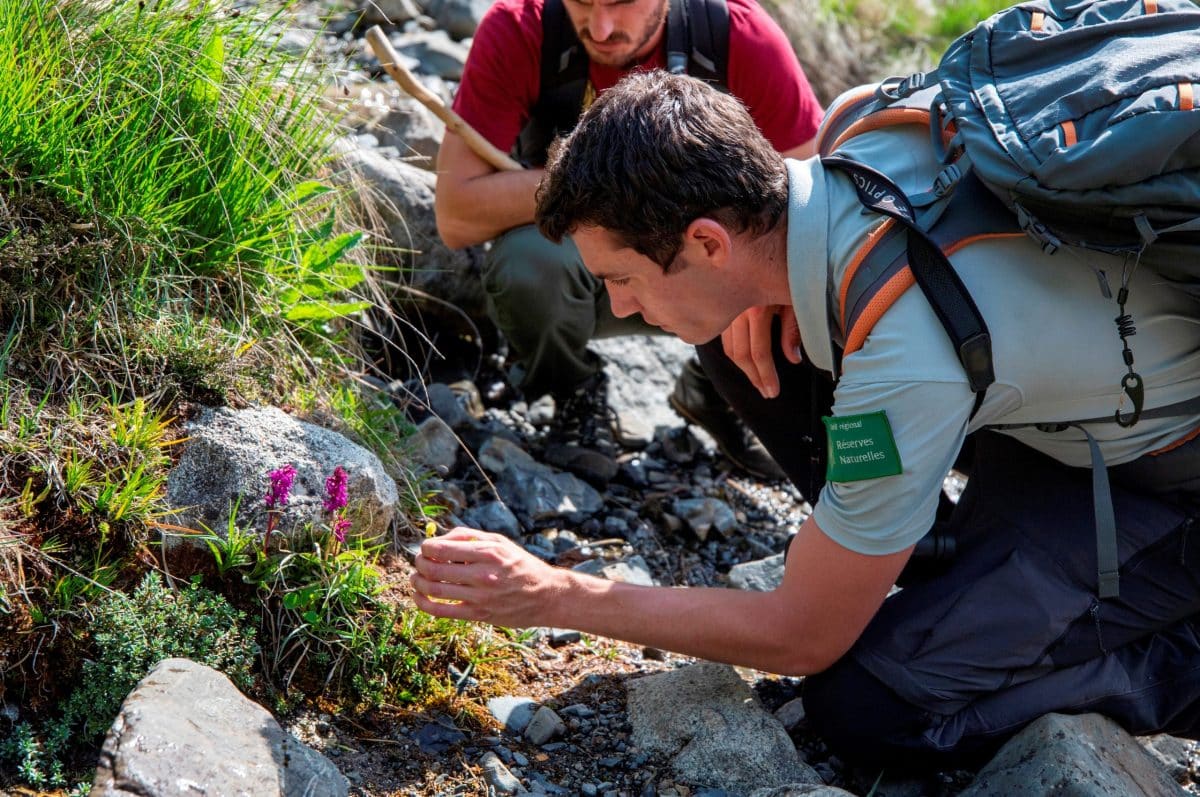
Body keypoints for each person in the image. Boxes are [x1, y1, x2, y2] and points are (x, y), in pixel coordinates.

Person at [412, 71, 1200, 767]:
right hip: (1049, 390)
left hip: (1157, 484)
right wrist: (770, 288)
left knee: (868, 703)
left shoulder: (906, 353)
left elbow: (801, 634)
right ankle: (917, 564)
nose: (618, 308)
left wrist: (555, 592)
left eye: (622, 278)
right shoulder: (861, 122)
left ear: (707, 241)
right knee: (736, 339)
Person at [434, 0, 823, 480]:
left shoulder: (737, 36)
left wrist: (766, 290)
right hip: (587, 264)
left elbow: (808, 207)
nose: (600, 28)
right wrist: (599, 189)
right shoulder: (522, 28)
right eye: (581, 2)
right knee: (526, 266)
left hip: (711, 269)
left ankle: (723, 393)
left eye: (621, 3)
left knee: (791, 281)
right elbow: (455, 214)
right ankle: (571, 390)